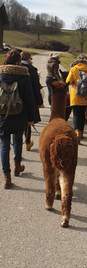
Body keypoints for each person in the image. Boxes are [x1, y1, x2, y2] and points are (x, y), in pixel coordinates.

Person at [0, 49, 35, 189]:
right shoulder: (24, 76)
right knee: (18, 141)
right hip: (20, 115)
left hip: (2, 116)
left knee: (4, 145)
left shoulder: (0, 75)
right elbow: (29, 99)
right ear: (18, 61)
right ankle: (17, 166)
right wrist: (31, 118)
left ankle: (6, 177)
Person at [66, 54, 87, 142]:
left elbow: (68, 81)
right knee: (82, 115)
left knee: (76, 114)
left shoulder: (74, 68)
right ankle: (80, 133)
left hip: (75, 95)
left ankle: (77, 133)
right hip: (85, 96)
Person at [20, 51, 42, 151]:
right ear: (29, 59)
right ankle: (28, 142)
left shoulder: (14, 67)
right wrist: (39, 101)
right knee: (28, 122)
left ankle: (18, 147)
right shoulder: (32, 69)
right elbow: (36, 87)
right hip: (29, 99)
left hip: (14, 99)